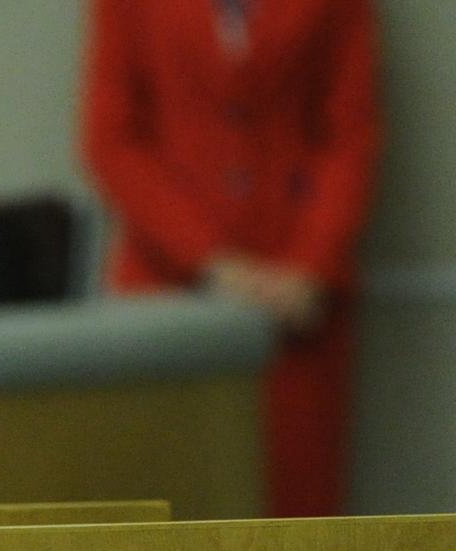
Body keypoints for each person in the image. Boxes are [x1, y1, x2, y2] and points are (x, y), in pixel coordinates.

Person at [81, 0, 383, 517]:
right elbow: (112, 140)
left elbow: (351, 133)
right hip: (166, 295)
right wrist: (210, 260)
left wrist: (310, 263)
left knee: (296, 528)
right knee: (166, 516)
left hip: (295, 309)